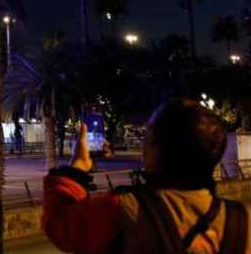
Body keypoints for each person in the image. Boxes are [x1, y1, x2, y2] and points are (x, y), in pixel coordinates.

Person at [43, 98, 249, 252]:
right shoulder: (241, 220)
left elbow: (60, 225)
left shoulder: (122, 210)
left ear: (155, 150)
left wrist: (77, 167)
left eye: (147, 138)